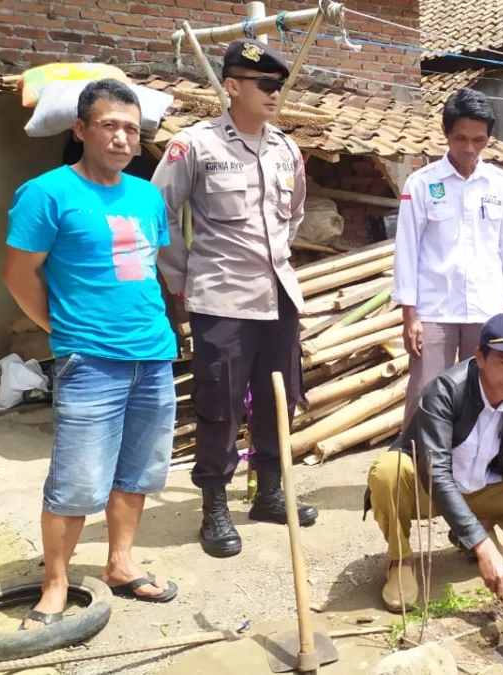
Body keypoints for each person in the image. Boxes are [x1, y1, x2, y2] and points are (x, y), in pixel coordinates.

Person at [3, 79, 179, 630]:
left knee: (137, 472)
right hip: (90, 361)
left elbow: (150, 269)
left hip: (151, 355)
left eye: (131, 128)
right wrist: (59, 327)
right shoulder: (46, 193)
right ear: (81, 130)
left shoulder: (148, 195)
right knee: (77, 480)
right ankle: (55, 584)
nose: (123, 137)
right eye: (110, 125)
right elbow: (18, 273)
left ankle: (121, 565)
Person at [152, 38, 318, 559]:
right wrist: (183, 275)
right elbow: (159, 213)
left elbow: (293, 215)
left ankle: (269, 492)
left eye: (279, 85)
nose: (275, 93)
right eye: (265, 84)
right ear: (232, 86)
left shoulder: (286, 148)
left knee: (279, 398)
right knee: (219, 404)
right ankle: (215, 507)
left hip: (278, 296)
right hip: (221, 298)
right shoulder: (195, 145)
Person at [364, 312, 503, 612]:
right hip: (427, 491)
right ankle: (400, 560)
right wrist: (483, 547)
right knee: (388, 470)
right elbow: (436, 473)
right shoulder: (445, 392)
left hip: (482, 490)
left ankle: (477, 527)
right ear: (480, 357)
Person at [394, 88, 503, 424]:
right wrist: (410, 315)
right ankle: (416, 470)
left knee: (483, 393)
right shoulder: (422, 184)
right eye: (460, 138)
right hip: (435, 308)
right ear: (446, 134)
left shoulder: (501, 184)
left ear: (489, 138)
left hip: (487, 308)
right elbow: (406, 250)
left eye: (479, 140)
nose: (469, 148)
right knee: (427, 391)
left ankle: (476, 471)